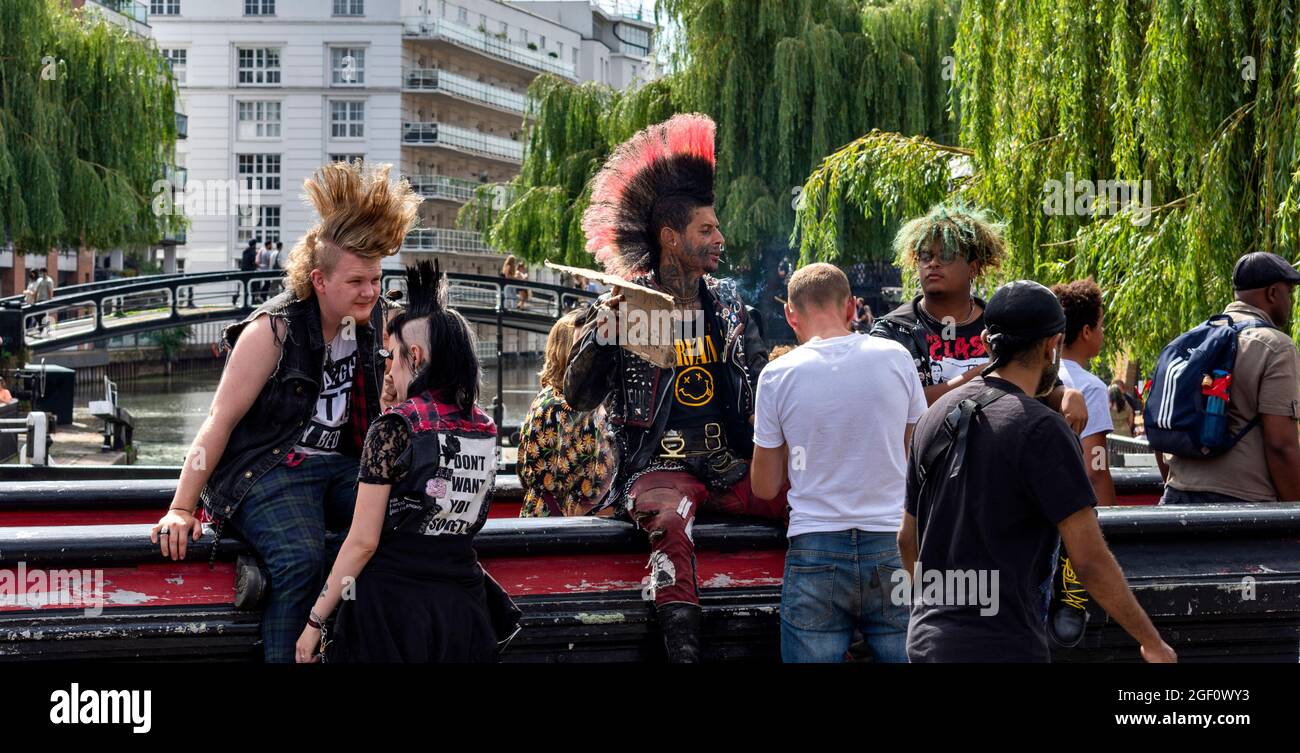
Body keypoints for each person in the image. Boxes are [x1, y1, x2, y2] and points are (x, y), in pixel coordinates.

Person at [150, 161, 420, 662]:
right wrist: (182, 508)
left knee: (399, 523)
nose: (371, 292)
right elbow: (219, 421)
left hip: (337, 466)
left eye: (377, 279)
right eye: (358, 281)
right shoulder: (272, 331)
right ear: (319, 279)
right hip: (266, 470)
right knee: (300, 558)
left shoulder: (376, 323)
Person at [565, 114, 786, 662]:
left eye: (717, 229)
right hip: (657, 470)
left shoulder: (730, 303)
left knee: (809, 503)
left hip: (732, 464)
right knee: (668, 522)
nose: (719, 239)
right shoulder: (625, 303)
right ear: (671, 237)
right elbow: (576, 396)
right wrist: (600, 335)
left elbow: (760, 380)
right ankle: (683, 654)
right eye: (707, 230)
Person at [900, 280, 1177, 663]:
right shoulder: (1042, 430)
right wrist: (1151, 641)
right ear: (1053, 346)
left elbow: (905, 539)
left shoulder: (932, 417)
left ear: (985, 343)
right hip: (1002, 647)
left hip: (927, 643)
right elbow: (1089, 560)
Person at [295, 261, 499, 663]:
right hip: (463, 608)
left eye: (391, 355)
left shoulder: (394, 428)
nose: (387, 366)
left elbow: (363, 541)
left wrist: (316, 621)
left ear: (416, 355)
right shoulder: (485, 428)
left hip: (392, 610)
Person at [751, 263, 925, 663]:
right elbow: (914, 455)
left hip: (815, 548)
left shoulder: (777, 376)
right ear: (851, 307)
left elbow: (765, 486)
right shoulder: (896, 358)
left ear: (791, 315)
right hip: (893, 545)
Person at [1158, 251, 1300, 504]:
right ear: (1272, 293)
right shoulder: (1277, 347)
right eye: (1289, 293)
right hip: (1242, 505)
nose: (1290, 301)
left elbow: (1162, 422)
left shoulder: (1192, 340)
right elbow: (1280, 445)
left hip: (1176, 494)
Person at [518, 311, 616, 517]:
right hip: (564, 522)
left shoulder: (547, 398)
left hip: (541, 516)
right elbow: (601, 478)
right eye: (584, 345)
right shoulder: (567, 407)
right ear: (565, 352)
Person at [1052, 279, 1115, 506]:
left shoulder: (1037, 374)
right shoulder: (1091, 387)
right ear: (1086, 331)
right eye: (1101, 324)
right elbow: (1095, 469)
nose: (1103, 331)